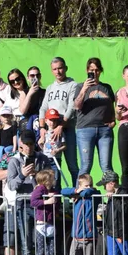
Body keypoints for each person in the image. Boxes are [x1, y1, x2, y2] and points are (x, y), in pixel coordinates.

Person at [6, 129, 57, 255]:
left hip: (41, 206)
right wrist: (22, 175)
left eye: (31, 144)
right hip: (23, 205)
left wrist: (36, 176)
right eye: (26, 144)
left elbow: (51, 180)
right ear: (21, 144)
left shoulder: (42, 158)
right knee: (26, 243)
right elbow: (11, 185)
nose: (29, 147)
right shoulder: (14, 161)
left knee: (43, 244)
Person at [73, 57, 116, 183]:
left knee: (107, 167)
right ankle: (79, 197)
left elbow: (111, 106)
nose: (95, 73)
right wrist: (85, 89)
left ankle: (112, 199)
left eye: (97, 70)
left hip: (104, 131)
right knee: (85, 166)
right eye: (92, 70)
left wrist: (113, 121)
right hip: (85, 130)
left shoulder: (106, 87)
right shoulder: (80, 86)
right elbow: (77, 106)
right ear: (87, 70)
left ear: (100, 71)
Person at [39, 57, 80, 186]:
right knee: (53, 165)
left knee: (72, 165)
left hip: (66, 129)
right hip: (51, 131)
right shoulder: (50, 87)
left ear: (65, 68)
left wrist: (61, 125)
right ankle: (56, 198)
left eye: (60, 68)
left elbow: (71, 107)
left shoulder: (73, 85)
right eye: (55, 69)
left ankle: (77, 195)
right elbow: (43, 108)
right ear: (52, 71)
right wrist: (42, 128)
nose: (58, 71)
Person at [30, 168, 62, 255]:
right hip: (41, 224)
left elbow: (57, 203)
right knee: (41, 250)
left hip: (51, 223)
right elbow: (33, 201)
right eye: (51, 179)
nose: (53, 181)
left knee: (51, 250)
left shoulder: (53, 190)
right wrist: (47, 201)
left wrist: (55, 201)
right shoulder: (40, 189)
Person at [67, 173, 99, 255]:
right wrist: (76, 191)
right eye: (86, 185)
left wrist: (79, 193)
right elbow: (63, 191)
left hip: (89, 236)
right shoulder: (77, 194)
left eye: (90, 185)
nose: (88, 187)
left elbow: (88, 193)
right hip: (76, 236)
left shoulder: (94, 194)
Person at [17, 66, 45, 132]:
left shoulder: (45, 92)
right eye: (32, 76)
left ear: (40, 76)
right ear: (28, 78)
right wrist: (30, 93)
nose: (35, 78)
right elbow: (23, 111)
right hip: (28, 125)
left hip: (41, 124)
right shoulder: (24, 92)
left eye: (37, 75)